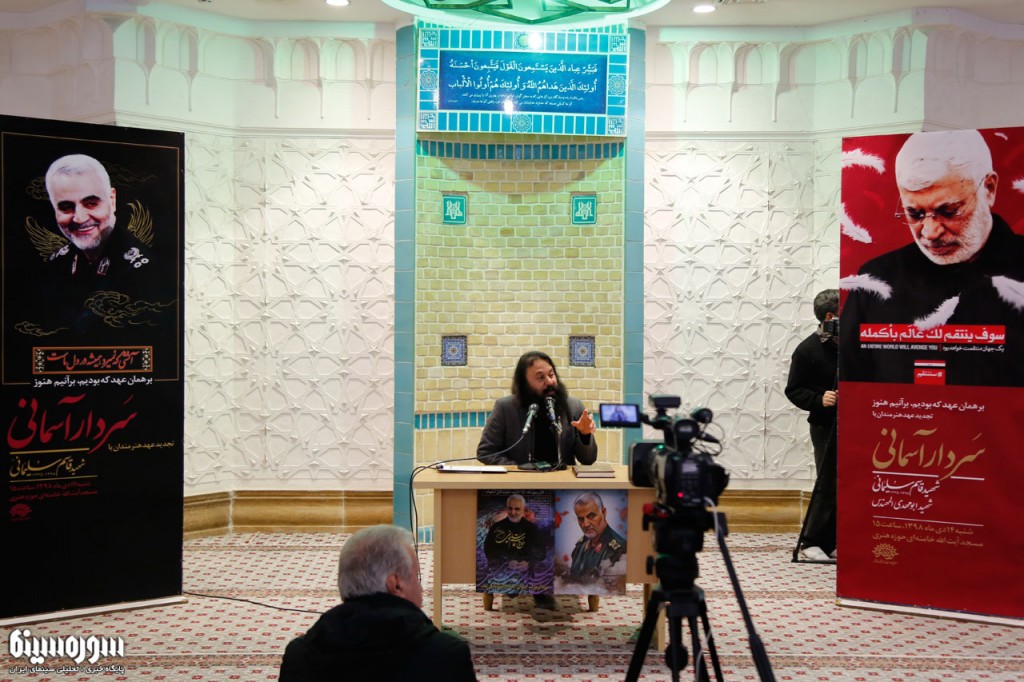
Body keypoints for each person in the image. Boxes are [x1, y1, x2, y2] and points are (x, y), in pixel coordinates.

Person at [840, 129, 1024, 386]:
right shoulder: (877, 278)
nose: (930, 233)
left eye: (949, 211)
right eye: (914, 214)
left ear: (989, 189)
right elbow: (852, 381)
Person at [279, 524, 477, 682]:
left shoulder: (300, 655)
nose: (421, 588)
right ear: (395, 584)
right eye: (416, 577)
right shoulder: (445, 655)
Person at [40, 153, 159, 334]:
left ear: (112, 200)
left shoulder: (142, 272)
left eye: (91, 203)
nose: (79, 218)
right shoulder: (55, 265)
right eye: (66, 207)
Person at [785, 289, 839, 562]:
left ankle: (831, 541)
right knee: (827, 483)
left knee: (844, 484)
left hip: (853, 424)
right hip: (825, 426)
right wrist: (820, 400)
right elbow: (794, 390)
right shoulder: (807, 350)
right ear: (829, 317)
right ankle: (810, 542)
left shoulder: (851, 344)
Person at [477, 350, 598, 468]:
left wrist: (585, 435)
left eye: (551, 375)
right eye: (540, 377)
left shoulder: (574, 407)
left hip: (562, 479)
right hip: (520, 479)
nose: (550, 381)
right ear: (524, 384)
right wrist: (518, 469)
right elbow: (486, 452)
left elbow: (588, 460)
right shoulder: (505, 408)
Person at [569, 492, 627, 581]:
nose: (586, 524)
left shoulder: (619, 550)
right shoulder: (579, 547)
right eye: (580, 519)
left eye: (591, 516)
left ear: (603, 512)